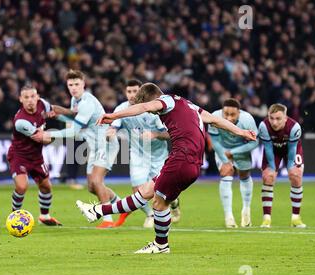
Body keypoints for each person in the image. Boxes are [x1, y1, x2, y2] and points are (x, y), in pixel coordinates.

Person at [76, 83, 256, 254]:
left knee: (157, 203)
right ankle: (97, 211)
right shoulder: (189, 105)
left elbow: (145, 108)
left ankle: (160, 244)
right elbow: (215, 120)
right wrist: (241, 132)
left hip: (181, 159)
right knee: (147, 191)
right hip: (193, 163)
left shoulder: (166, 101)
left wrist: (113, 116)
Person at [32, 70, 120, 228]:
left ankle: (108, 220)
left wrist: (48, 134)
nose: (73, 88)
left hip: (106, 143)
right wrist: (57, 116)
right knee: (92, 187)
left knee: (96, 181)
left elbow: (74, 131)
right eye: (70, 85)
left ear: (83, 84)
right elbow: (76, 120)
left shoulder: (87, 102)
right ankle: (122, 205)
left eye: (76, 84)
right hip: (94, 146)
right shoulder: (75, 100)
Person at [107, 79, 179, 228]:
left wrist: (155, 134)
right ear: (125, 92)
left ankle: (174, 203)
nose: (132, 95)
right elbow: (114, 126)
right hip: (137, 154)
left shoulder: (153, 109)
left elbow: (170, 133)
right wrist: (110, 132)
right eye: (129, 91)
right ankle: (150, 214)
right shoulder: (121, 109)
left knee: (163, 191)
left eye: (135, 91)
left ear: (141, 92)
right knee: (137, 190)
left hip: (158, 155)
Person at [7, 85, 62, 226]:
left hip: (36, 156)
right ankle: (14, 216)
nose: (30, 100)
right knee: (21, 186)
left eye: (32, 96)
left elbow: (53, 111)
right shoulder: (21, 121)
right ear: (21, 99)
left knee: (46, 187)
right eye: (26, 97)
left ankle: (44, 216)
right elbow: (42, 138)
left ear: (37, 97)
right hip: (19, 155)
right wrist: (66, 133)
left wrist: (69, 117)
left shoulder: (43, 104)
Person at [208, 98, 258, 228]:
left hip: (241, 149)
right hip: (222, 149)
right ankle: (228, 216)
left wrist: (233, 152)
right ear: (222, 112)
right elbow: (214, 140)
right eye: (226, 114)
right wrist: (225, 160)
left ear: (239, 113)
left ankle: (246, 210)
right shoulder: (215, 116)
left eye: (233, 115)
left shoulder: (248, 120)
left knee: (244, 175)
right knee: (226, 172)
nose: (229, 118)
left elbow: (255, 142)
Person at [258, 103, 306, 228]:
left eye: (278, 118)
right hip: (273, 151)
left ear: (285, 118)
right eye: (271, 118)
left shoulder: (294, 127)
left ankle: (295, 218)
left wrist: (290, 169)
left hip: (291, 150)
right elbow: (268, 149)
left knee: (295, 175)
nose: (274, 122)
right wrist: (273, 170)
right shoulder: (263, 126)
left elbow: (291, 152)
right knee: (268, 176)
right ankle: (266, 219)